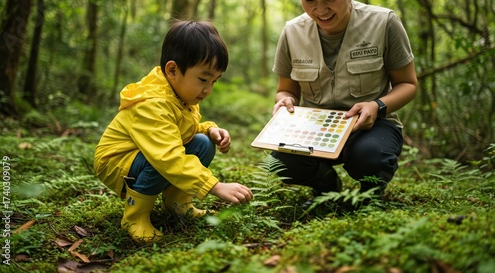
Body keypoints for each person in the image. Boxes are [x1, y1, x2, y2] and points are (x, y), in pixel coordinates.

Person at [94, 20, 253, 242]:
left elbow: (185, 129)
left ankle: (178, 204)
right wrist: (214, 186)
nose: (208, 89)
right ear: (172, 70)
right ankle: (135, 217)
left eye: (214, 81)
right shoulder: (153, 103)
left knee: (203, 143)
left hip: (147, 154)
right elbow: (166, 155)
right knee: (158, 160)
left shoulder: (181, 95)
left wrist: (209, 129)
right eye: (203, 79)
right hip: (116, 161)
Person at [271, 0, 418, 209]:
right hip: (314, 130)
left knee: (371, 156)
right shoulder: (293, 32)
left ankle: (370, 194)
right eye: (310, 0)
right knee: (281, 160)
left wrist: (377, 106)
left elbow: (408, 84)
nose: (321, 10)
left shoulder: (384, 22)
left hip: (371, 126)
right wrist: (285, 101)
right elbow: (285, 90)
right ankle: (325, 187)